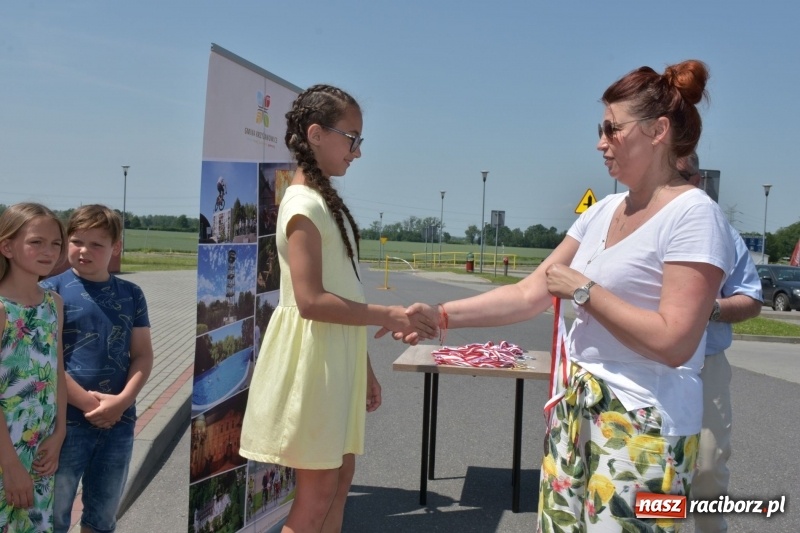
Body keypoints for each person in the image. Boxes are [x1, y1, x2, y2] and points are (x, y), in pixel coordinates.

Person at [395, 60, 734, 532]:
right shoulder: (603, 210)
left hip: (645, 428)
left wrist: (585, 291)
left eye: (612, 129)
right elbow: (529, 293)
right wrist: (440, 314)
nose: (601, 142)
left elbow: (675, 341)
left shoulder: (694, 215)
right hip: (576, 412)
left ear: (658, 131)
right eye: (601, 129)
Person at [238, 84, 435, 533]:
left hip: (334, 358)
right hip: (313, 362)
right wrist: (388, 314)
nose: (358, 151)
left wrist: (363, 366)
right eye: (352, 138)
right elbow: (310, 301)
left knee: (339, 482)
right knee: (316, 496)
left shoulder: (323, 202)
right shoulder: (302, 204)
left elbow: (344, 292)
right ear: (316, 134)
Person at [40, 204, 154, 533]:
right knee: (54, 515)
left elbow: (143, 355)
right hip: (64, 424)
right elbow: (48, 360)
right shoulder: (49, 291)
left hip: (118, 424)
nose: (84, 251)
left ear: (116, 247)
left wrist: (121, 402)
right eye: (76, 241)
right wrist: (93, 406)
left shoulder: (131, 294)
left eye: (96, 244)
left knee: (103, 517)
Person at [678, 153, 763, 533]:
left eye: (680, 174)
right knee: (651, 469)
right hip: (643, 364)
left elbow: (751, 299)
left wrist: (708, 309)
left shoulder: (723, 234)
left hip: (705, 364)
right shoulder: (634, 224)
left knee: (708, 467)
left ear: (697, 180)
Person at [0, 202, 68, 532]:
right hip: (5, 452)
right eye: (36, 242)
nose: (49, 251)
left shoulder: (54, 304)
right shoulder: (1, 309)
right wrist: (10, 465)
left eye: (56, 243)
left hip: (41, 449)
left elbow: (57, 373)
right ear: (7, 247)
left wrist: (60, 433)